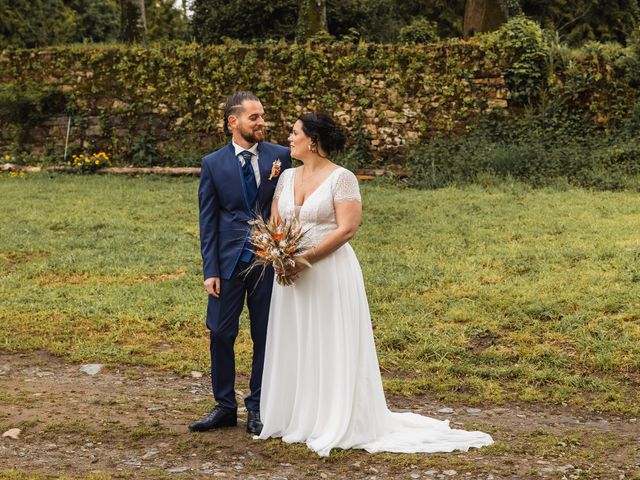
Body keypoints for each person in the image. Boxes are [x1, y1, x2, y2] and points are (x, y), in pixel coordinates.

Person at [257, 112, 493, 456]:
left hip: (328, 272)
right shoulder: (287, 177)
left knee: (330, 339)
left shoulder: (343, 178)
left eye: (294, 133)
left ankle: (334, 416)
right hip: (290, 273)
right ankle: (300, 415)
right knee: (298, 339)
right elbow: (276, 222)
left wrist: (304, 259)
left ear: (313, 140)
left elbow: (347, 229)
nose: (288, 139)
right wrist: (280, 255)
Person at [190, 92, 291, 435]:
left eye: (262, 116)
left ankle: (259, 405)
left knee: (266, 334)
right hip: (228, 261)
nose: (262, 122)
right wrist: (211, 270)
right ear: (233, 121)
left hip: (268, 261)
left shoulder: (282, 156)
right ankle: (224, 406)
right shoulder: (213, 163)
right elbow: (208, 220)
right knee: (220, 332)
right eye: (254, 117)